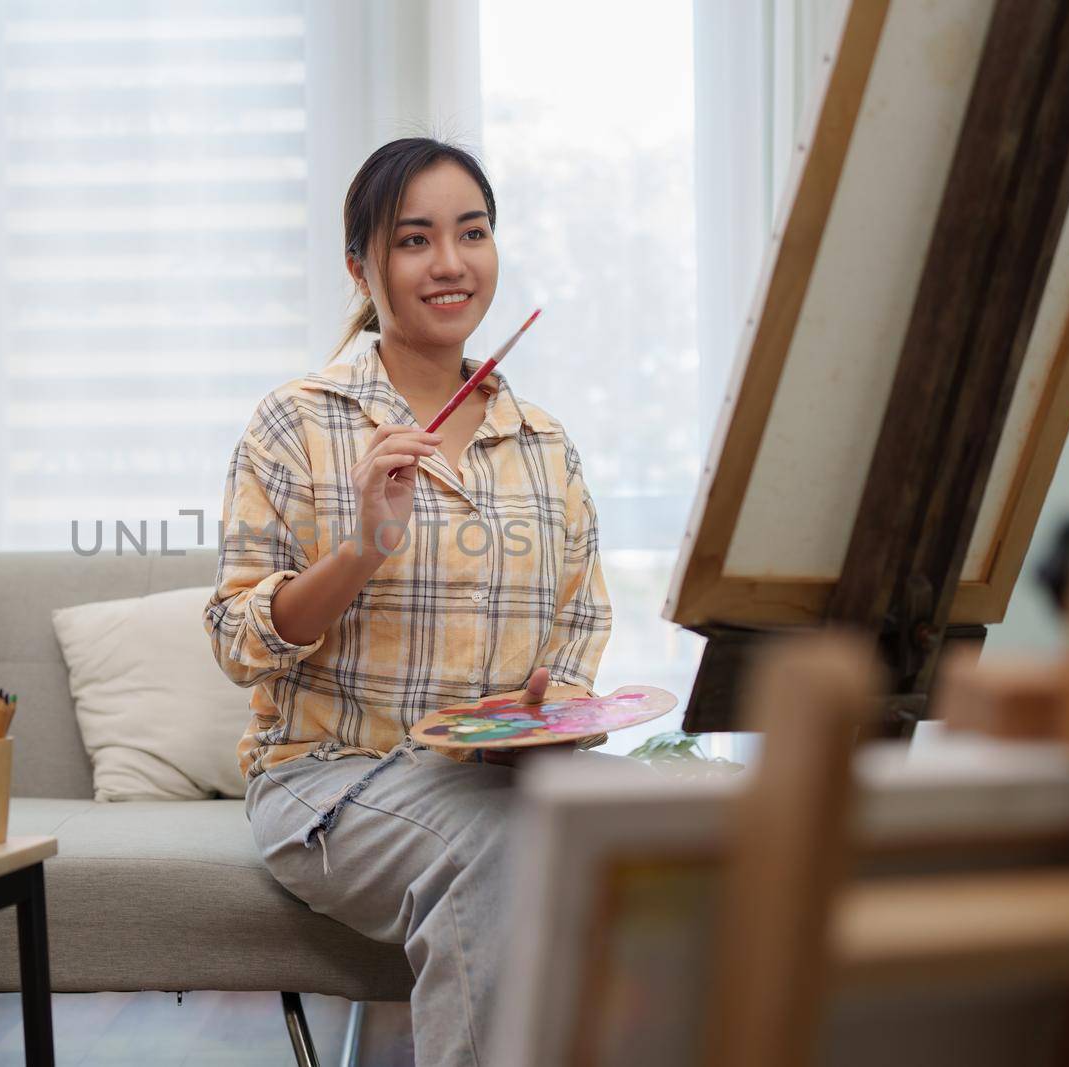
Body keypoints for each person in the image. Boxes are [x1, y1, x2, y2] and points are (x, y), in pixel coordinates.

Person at [204, 137, 623, 1067]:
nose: (450, 263)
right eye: (414, 240)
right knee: (497, 846)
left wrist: (550, 704)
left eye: (471, 233)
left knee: (673, 824)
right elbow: (237, 639)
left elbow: (581, 626)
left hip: (496, 774)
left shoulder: (545, 444)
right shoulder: (297, 420)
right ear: (361, 265)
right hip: (331, 782)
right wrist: (363, 546)